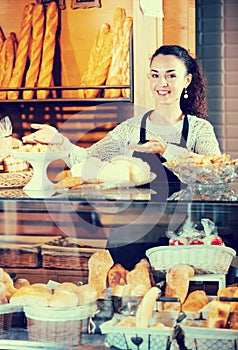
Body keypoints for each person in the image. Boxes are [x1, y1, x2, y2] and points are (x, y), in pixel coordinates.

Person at [23, 45, 222, 269]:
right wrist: (60, 140)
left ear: (186, 80)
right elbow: (88, 161)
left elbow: (213, 177)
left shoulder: (199, 129)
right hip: (131, 235)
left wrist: (167, 151)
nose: (162, 83)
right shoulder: (130, 129)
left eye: (171, 75)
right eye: (155, 75)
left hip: (182, 235)